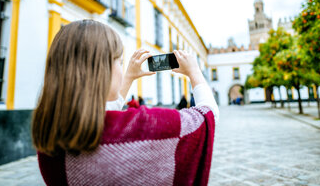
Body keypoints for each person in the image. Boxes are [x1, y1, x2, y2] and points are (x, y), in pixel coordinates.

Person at [32, 20, 219, 186]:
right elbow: (207, 116)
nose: (122, 70)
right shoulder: (144, 128)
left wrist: (129, 77)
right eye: (119, 62)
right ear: (102, 69)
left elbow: (99, 114)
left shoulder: (49, 140)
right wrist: (194, 72)